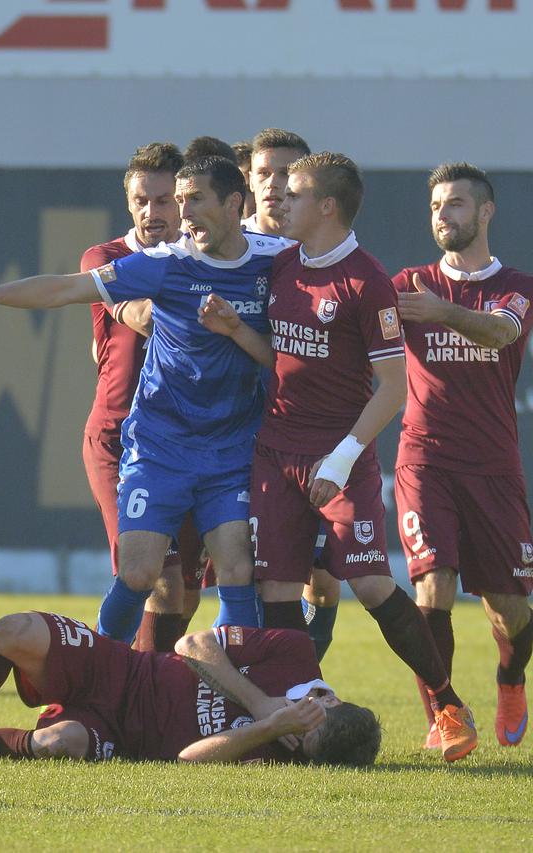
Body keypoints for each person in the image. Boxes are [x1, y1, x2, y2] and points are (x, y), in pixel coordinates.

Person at [0, 157, 288, 640]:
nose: (184, 214)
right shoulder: (167, 263)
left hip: (232, 450)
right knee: (140, 573)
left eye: (194, 200)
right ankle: (95, 678)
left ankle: (237, 697)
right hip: (161, 445)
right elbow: (66, 289)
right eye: (179, 201)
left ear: (233, 203)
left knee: (237, 570)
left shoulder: (277, 259)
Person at [207, 152, 476, 761]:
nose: (278, 200)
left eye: (294, 193)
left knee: (372, 582)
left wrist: (342, 457)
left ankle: (448, 702)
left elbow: (394, 387)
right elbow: (281, 359)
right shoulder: (279, 266)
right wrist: (235, 331)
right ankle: (293, 716)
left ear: (326, 206)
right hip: (275, 451)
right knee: (276, 586)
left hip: (340, 456)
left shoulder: (366, 281)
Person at [0, 612, 380, 767]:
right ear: (326, 698)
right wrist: (262, 701)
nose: (294, 733)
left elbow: (189, 760)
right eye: (306, 722)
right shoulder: (294, 652)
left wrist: (267, 728)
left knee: (58, 745)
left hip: (118, 732)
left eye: (300, 744)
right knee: (13, 631)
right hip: (120, 669)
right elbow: (192, 644)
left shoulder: (276, 749)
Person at [392, 162, 533, 750]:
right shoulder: (408, 282)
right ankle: (445, 710)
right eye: (434, 207)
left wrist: (443, 312)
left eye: (454, 205)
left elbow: (501, 332)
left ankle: (510, 676)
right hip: (424, 459)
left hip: (494, 467)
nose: (442, 216)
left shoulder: (516, 287)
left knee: (512, 608)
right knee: (432, 585)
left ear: (485, 212)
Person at [79, 142, 203, 654]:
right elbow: (140, 315)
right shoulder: (106, 259)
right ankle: (113, 692)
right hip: (120, 439)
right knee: (152, 578)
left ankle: (150, 692)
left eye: (163, 200)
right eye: (140, 201)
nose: (152, 212)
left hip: (191, 441)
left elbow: (96, 350)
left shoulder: (205, 259)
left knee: (187, 595)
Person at [238, 128, 343, 658]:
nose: (276, 185)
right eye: (264, 174)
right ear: (248, 181)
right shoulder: (226, 246)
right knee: (249, 569)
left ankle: (309, 654)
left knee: (322, 575)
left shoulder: (324, 250)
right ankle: (268, 681)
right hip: (238, 433)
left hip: (312, 434)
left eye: (288, 175)